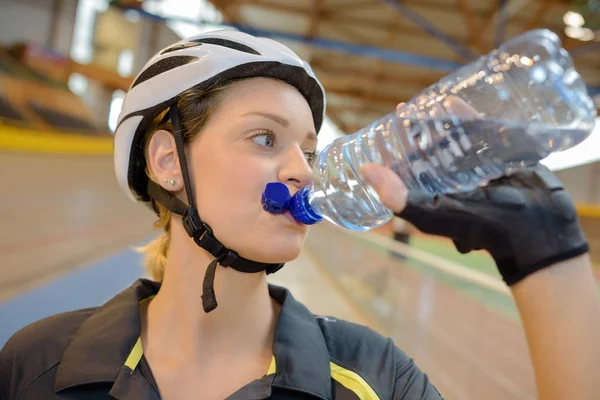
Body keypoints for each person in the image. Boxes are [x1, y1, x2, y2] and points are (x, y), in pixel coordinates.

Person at [1, 30, 599, 400]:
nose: (303, 171)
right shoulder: (35, 364)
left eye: (309, 151)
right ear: (168, 163)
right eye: (265, 139)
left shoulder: (374, 377)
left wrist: (550, 262)